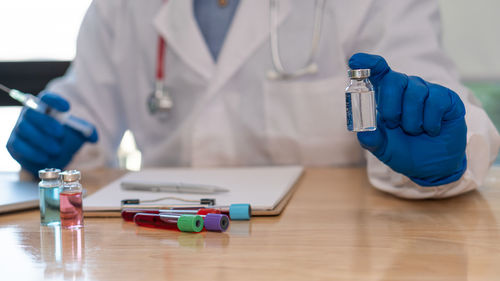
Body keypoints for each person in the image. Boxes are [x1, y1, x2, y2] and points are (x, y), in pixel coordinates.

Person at [7, 0, 500, 199]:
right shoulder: (124, 6)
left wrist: (450, 150)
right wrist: (54, 138)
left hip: (328, 257)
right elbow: (81, 108)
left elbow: (432, 88)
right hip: (161, 248)